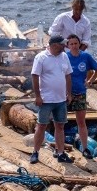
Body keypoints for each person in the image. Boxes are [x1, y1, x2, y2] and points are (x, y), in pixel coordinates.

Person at [30, 35, 74, 165]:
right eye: (62, 44)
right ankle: (35, 152)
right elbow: (34, 76)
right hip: (46, 99)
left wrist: (69, 93)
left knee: (60, 125)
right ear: (55, 45)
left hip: (61, 99)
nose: (64, 46)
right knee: (41, 125)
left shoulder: (64, 56)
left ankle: (60, 152)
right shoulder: (41, 57)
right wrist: (38, 96)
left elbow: (68, 75)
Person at [65, 34, 97, 159]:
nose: (74, 46)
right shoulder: (65, 57)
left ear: (79, 44)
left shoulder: (85, 56)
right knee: (59, 121)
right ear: (68, 45)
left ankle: (85, 148)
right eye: (71, 44)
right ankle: (59, 148)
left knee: (81, 122)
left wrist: (90, 81)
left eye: (76, 43)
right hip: (65, 93)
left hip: (80, 92)